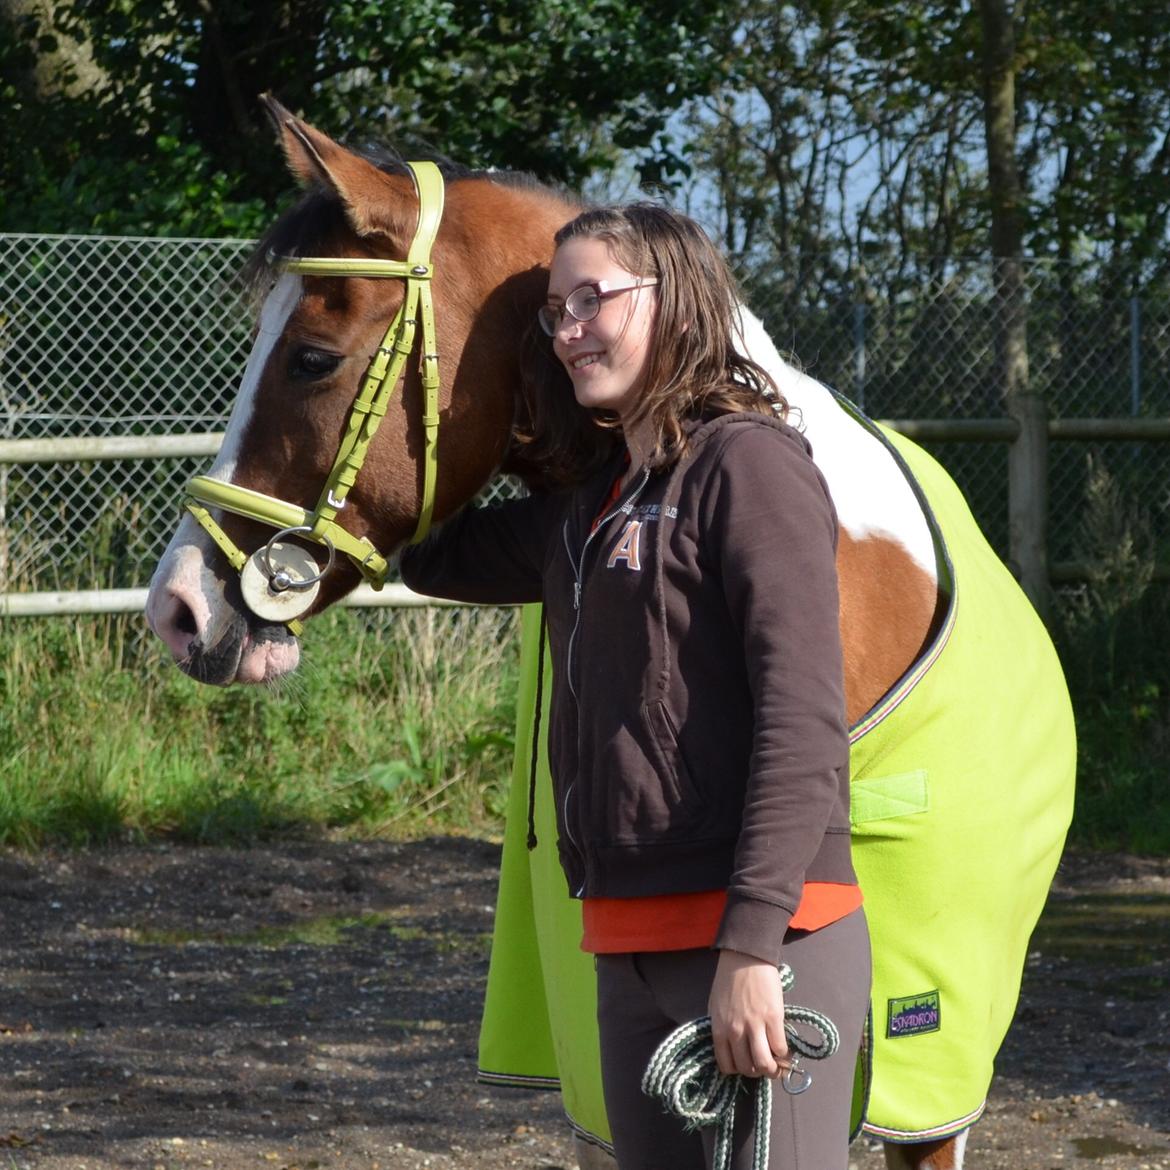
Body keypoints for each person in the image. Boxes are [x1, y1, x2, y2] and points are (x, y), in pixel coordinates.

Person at [399, 203, 871, 1170]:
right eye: (553, 313)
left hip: (767, 935)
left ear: (678, 300)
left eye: (592, 300)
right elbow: (424, 551)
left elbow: (805, 719)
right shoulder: (590, 504)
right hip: (628, 941)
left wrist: (750, 949)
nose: (569, 330)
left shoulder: (751, 466)